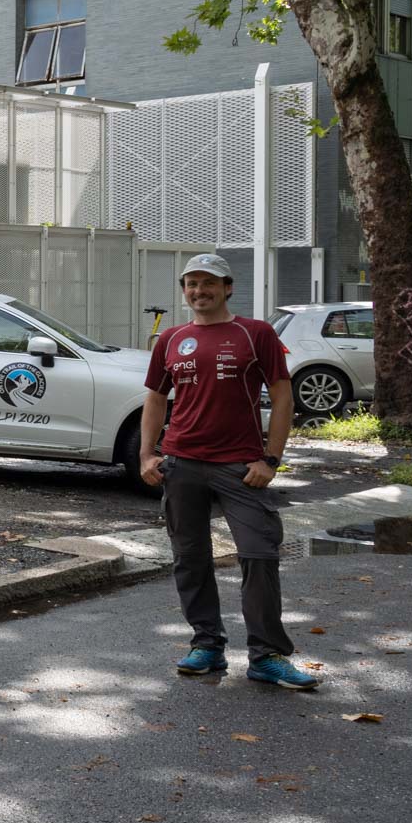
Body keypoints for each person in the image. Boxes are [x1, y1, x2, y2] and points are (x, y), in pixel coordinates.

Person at [141, 253, 315, 689]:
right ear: (184, 290)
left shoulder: (255, 334)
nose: (200, 291)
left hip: (241, 467)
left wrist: (269, 459)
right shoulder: (171, 339)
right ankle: (207, 645)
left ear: (228, 287)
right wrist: (147, 454)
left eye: (209, 283)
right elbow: (156, 399)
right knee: (190, 558)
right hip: (182, 464)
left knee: (259, 555)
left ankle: (266, 655)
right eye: (192, 284)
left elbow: (283, 398)